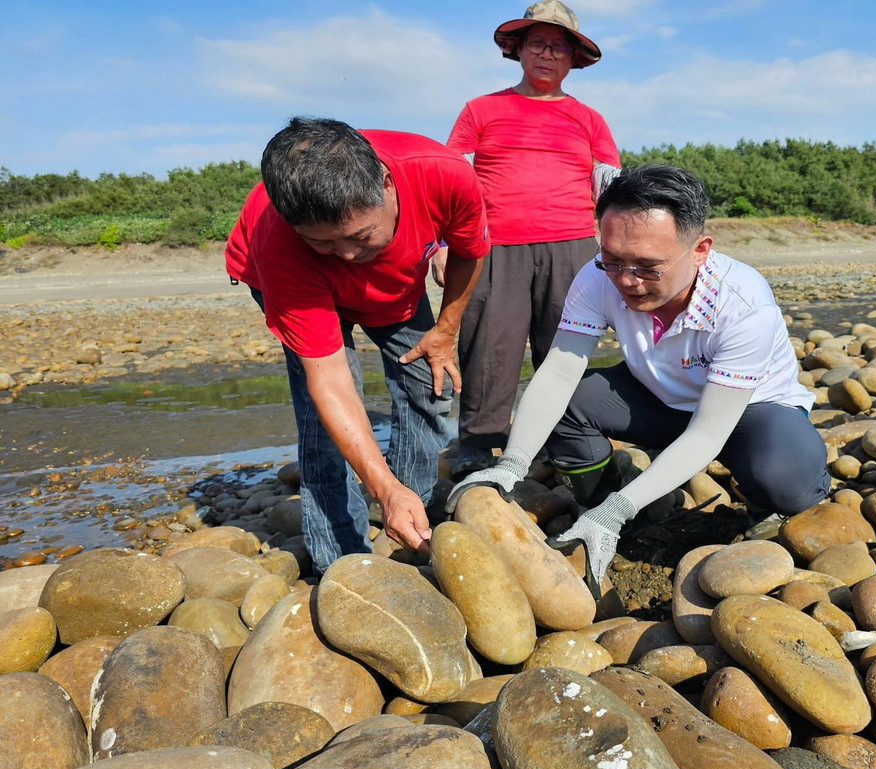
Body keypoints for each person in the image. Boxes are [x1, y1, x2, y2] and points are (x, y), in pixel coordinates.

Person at [447, 165, 830, 596]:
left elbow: (708, 433)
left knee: (789, 485)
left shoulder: (742, 303)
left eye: (648, 267)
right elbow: (557, 371)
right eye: (613, 260)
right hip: (658, 398)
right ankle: (604, 502)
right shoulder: (597, 275)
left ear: (701, 249)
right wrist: (513, 463)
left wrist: (619, 511)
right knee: (566, 404)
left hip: (748, 411)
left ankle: (642, 507)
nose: (627, 280)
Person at [225, 117, 489, 572]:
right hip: (293, 281)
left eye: (360, 236)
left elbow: (469, 251)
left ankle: (412, 516)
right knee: (322, 421)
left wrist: (445, 332)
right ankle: (343, 563)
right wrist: (381, 487)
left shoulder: (444, 174)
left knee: (428, 382)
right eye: (324, 243)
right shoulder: (279, 241)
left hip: (395, 281)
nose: (347, 256)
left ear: (386, 185)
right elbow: (329, 379)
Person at [441, 0, 620, 478]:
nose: (547, 54)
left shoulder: (589, 119)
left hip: (574, 246)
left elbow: (610, 188)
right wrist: (441, 244)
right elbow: (452, 178)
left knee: (563, 347)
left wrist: (618, 251)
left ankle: (560, 436)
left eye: (559, 47)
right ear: (518, 49)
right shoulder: (482, 109)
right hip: (494, 246)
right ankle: (479, 442)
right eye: (538, 43)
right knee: (487, 346)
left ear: (573, 59)